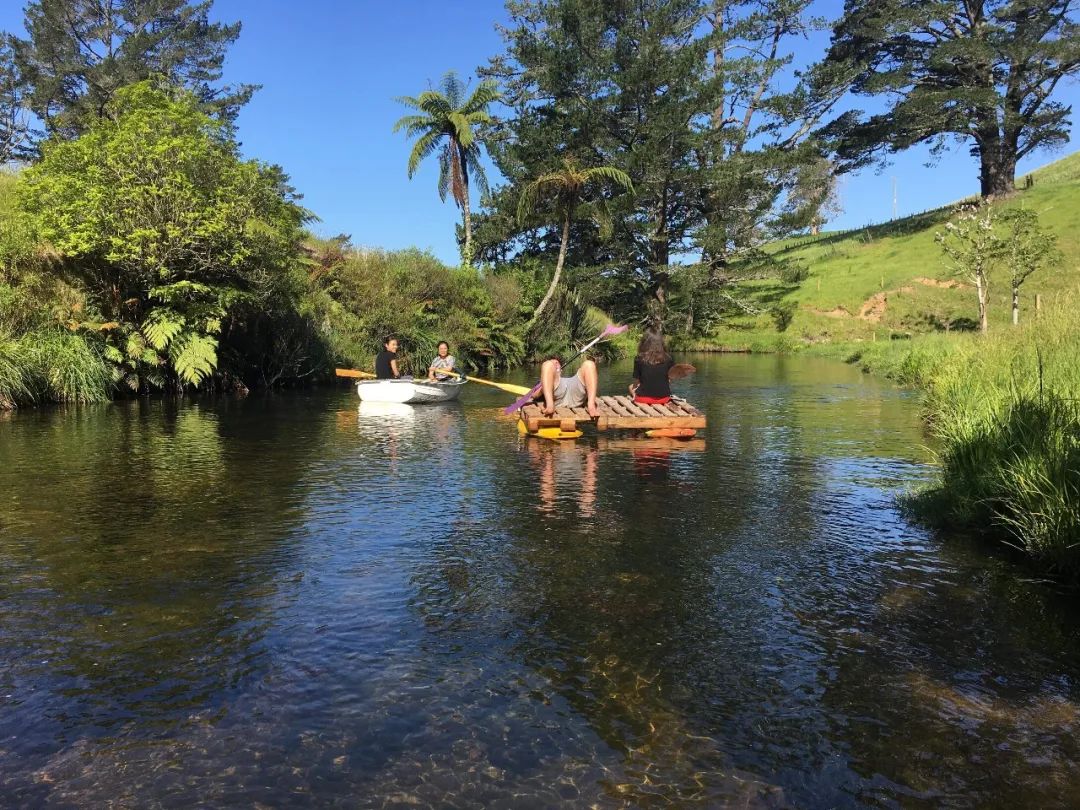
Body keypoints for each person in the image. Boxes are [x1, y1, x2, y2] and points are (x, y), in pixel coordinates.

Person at [629, 326, 674, 405]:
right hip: (664, 398)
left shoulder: (639, 358)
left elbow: (636, 382)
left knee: (630, 386)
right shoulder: (668, 358)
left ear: (644, 342)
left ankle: (634, 397)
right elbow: (669, 381)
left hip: (643, 399)